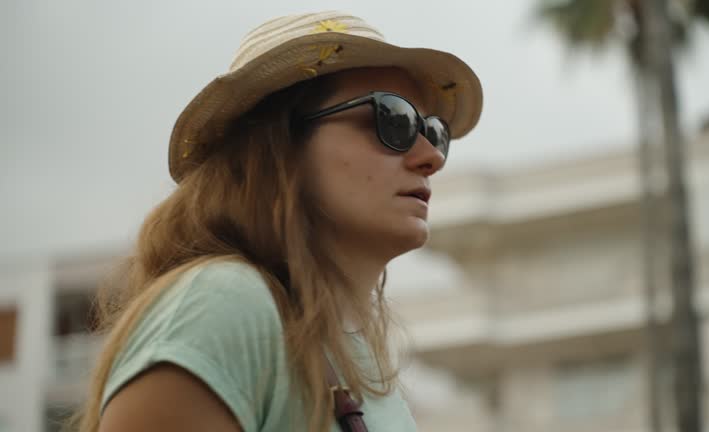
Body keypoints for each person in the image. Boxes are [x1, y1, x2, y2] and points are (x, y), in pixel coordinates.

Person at [71, 10, 482, 432]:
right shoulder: (222, 303)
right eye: (393, 119)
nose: (430, 157)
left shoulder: (356, 361)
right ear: (279, 148)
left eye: (432, 132)